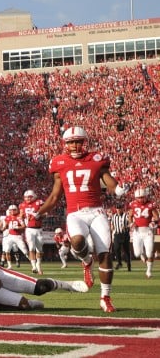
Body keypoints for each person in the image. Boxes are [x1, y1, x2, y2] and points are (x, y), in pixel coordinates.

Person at [35, 126, 130, 313]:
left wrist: (117, 190)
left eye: (78, 141)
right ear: (66, 144)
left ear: (84, 142)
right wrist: (39, 212)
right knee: (77, 241)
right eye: (71, 142)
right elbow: (55, 195)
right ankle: (87, 261)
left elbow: (108, 179)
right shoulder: (59, 162)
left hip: (96, 212)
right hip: (75, 212)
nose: (75, 145)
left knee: (105, 255)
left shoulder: (95, 159)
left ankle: (105, 297)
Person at [127, 188, 159, 279]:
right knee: (137, 254)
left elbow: (157, 217)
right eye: (139, 197)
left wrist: (154, 222)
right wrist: (131, 223)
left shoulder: (150, 204)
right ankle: (142, 255)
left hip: (148, 231)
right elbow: (130, 215)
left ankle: (149, 271)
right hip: (137, 232)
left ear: (145, 196)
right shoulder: (133, 204)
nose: (141, 199)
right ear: (136, 198)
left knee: (149, 253)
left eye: (142, 197)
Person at [0, 205, 29, 269]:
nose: (12, 211)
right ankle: (9, 265)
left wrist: (18, 227)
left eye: (13, 210)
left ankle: (33, 264)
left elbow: (24, 226)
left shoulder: (19, 217)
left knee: (25, 251)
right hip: (8, 236)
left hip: (17, 236)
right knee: (6, 250)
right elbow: (5, 227)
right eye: (10, 210)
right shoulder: (7, 218)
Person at [19, 190, 45, 274]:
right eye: (26, 197)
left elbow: (46, 213)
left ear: (34, 196)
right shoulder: (22, 205)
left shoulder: (39, 202)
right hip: (29, 229)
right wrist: (22, 220)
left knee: (40, 249)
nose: (28, 198)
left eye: (30, 197)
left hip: (39, 229)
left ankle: (38, 265)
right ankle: (33, 266)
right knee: (31, 248)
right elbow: (20, 216)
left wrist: (38, 215)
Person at [110, 205, 131, 271]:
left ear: (122, 209)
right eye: (117, 208)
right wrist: (112, 227)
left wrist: (126, 227)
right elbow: (112, 224)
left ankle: (128, 265)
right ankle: (119, 263)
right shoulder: (114, 216)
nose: (118, 210)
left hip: (125, 234)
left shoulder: (126, 215)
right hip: (117, 234)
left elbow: (130, 223)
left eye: (119, 209)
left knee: (126, 250)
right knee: (116, 249)